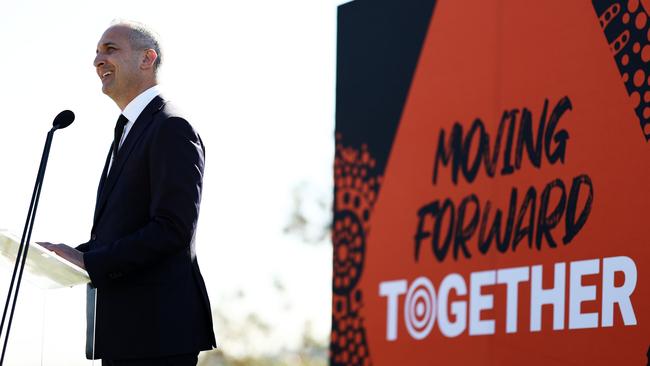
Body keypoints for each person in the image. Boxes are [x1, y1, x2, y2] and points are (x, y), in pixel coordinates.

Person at [40, 21, 216, 366]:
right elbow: (125, 228)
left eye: (110, 49)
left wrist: (92, 262)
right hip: (124, 336)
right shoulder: (129, 130)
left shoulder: (171, 127)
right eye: (96, 53)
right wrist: (69, 256)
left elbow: (172, 228)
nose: (97, 61)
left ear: (146, 58)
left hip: (158, 336)